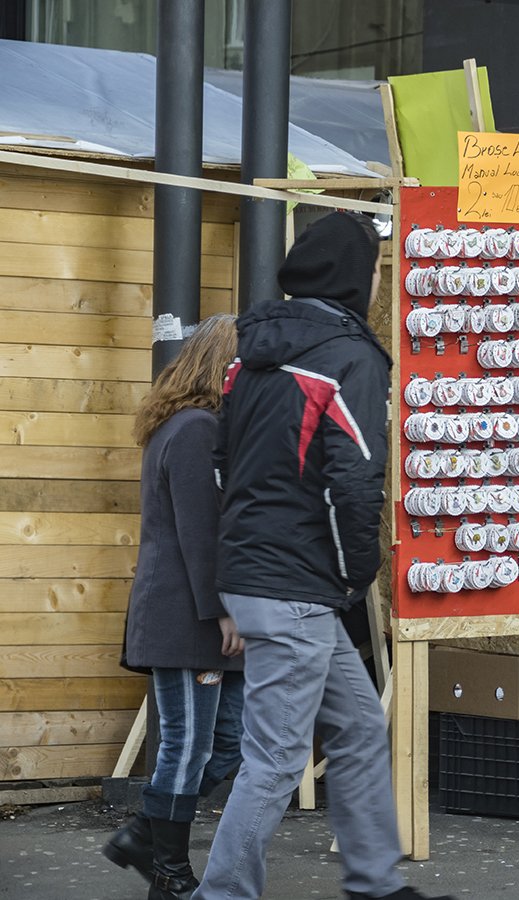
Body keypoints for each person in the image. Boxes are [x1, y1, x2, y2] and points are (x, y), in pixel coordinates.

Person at [193, 212, 453, 900]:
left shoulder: (249, 354)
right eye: (373, 269)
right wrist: (353, 572)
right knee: (275, 758)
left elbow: (221, 466)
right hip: (299, 582)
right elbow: (354, 481)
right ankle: (223, 894)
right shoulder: (349, 357)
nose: (376, 282)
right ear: (355, 277)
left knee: (361, 725)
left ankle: (375, 881)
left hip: (256, 572)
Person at [102, 316, 245, 899]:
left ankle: (142, 834)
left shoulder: (196, 425)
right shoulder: (192, 431)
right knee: (187, 747)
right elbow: (198, 531)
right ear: (224, 363)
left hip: (204, 619)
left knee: (229, 746)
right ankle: (168, 871)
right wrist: (224, 612)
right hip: (188, 621)